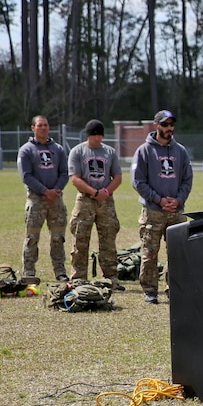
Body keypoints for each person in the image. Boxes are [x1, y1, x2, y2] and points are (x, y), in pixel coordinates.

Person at [132, 110, 194, 304]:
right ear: (156, 126)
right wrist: (158, 200)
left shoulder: (180, 151)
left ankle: (173, 288)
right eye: (165, 124)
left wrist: (178, 200)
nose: (169, 128)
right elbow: (138, 181)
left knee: (177, 252)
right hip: (153, 211)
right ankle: (150, 290)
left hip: (176, 211)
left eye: (171, 124)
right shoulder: (144, 151)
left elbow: (187, 179)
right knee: (150, 253)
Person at [67, 119, 123, 286]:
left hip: (106, 201)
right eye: (94, 135)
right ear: (88, 135)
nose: (98, 138)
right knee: (80, 238)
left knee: (108, 239)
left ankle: (111, 277)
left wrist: (105, 192)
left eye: (100, 135)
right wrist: (93, 192)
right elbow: (75, 179)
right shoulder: (78, 152)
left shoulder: (110, 152)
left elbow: (118, 177)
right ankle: (78, 277)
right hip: (85, 200)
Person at [17, 115, 69, 281]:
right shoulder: (26, 150)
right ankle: (29, 272)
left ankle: (60, 272)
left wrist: (56, 190)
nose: (43, 128)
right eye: (40, 125)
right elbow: (26, 176)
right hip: (36, 200)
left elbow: (64, 173)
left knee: (58, 238)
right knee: (32, 238)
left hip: (56, 200)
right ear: (33, 128)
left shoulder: (58, 149)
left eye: (46, 125)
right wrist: (45, 191)